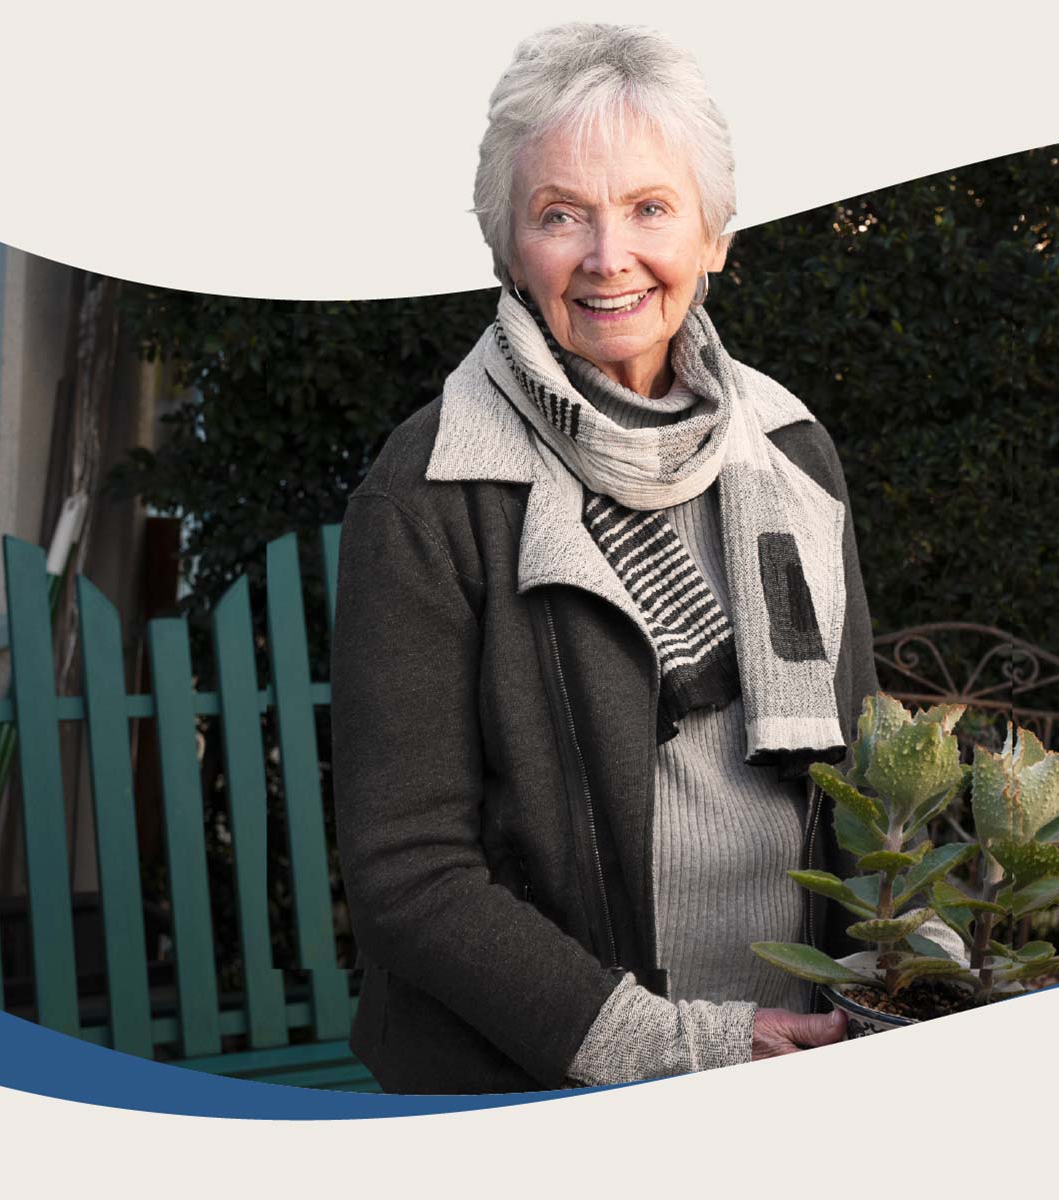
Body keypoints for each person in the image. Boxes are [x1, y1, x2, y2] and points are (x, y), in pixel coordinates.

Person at [330, 22, 880, 1095]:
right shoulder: (429, 492)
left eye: (650, 208)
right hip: (535, 1086)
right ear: (506, 246)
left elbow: (860, 773)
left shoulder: (790, 450)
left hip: (807, 1059)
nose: (607, 257)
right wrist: (681, 1048)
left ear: (714, 235)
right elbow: (408, 874)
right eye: (559, 216)